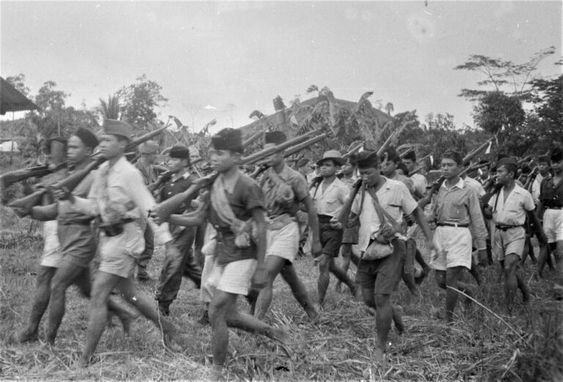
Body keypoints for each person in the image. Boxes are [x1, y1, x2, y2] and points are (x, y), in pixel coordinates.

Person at [54, 119, 183, 366]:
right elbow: (94, 207)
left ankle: (85, 357)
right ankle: (169, 329)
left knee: (99, 294)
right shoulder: (102, 172)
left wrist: (168, 242)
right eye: (101, 139)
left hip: (125, 241)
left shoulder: (129, 174)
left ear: (123, 144)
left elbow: (150, 208)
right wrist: (70, 198)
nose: (102, 144)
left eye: (107, 140)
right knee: (130, 293)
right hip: (108, 240)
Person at [161, 128, 286, 378]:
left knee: (216, 309)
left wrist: (261, 266)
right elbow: (197, 218)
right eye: (212, 153)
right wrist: (168, 216)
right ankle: (274, 333)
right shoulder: (212, 185)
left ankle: (217, 369)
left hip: (245, 253)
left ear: (237, 157)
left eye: (220, 153)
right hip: (222, 252)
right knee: (227, 313)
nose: (213, 158)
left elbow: (261, 226)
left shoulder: (248, 186)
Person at [28, 128, 133, 344]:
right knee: (88, 290)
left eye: (75, 147)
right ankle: (124, 313)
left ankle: (48, 342)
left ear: (88, 150)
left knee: (57, 285)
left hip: (81, 240)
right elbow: (57, 209)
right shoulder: (73, 174)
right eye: (69, 147)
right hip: (67, 238)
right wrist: (29, 210)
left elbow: (77, 205)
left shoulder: (92, 176)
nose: (69, 151)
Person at [347, 151, 434, 360]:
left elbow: (417, 213)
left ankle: (381, 345)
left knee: (381, 297)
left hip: (392, 248)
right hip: (367, 250)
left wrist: (430, 239)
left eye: (368, 172)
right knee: (368, 299)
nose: (364, 177)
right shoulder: (360, 190)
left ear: (378, 167)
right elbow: (352, 216)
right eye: (361, 173)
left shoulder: (397, 187)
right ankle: (394, 314)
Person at [254, 131, 319, 319]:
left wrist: (315, 241)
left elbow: (311, 208)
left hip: (286, 229)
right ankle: (312, 313)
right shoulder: (264, 176)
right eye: (264, 153)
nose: (267, 157)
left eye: (271, 153)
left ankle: (256, 324)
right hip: (268, 230)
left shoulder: (295, 177)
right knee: (291, 278)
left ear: (283, 153)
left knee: (266, 278)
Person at [15, 137, 68, 343]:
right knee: (89, 287)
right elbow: (31, 200)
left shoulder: (64, 174)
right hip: (51, 228)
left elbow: (42, 202)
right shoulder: (50, 172)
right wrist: (27, 184)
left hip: (58, 228)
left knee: (46, 279)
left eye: (55, 151)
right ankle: (113, 313)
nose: (51, 155)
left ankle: (33, 329)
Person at [430, 150, 488, 322]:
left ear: (460, 167)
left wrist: (483, 246)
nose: (445, 168)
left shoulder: (468, 190)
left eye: (450, 165)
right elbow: (432, 213)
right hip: (440, 234)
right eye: (443, 165)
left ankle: (449, 320)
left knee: (450, 278)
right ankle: (469, 291)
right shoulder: (438, 189)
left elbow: (477, 219)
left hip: (460, 235)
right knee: (441, 280)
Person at [484, 158, 546, 312]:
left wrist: (540, 234)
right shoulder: (496, 192)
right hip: (498, 234)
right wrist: (491, 189)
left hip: (516, 233)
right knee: (507, 269)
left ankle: (508, 309)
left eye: (500, 172)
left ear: (511, 174)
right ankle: (525, 292)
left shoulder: (523, 194)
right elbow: (486, 211)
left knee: (509, 266)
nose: (496, 175)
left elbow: (532, 216)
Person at [155, 145, 202, 316]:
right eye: (170, 159)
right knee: (186, 263)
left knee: (173, 262)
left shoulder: (192, 182)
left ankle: (164, 302)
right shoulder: (169, 181)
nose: (170, 162)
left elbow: (197, 209)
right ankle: (205, 284)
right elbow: (159, 202)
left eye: (174, 159)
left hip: (184, 227)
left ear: (184, 161)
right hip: (169, 227)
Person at [310, 150, 358, 305]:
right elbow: (309, 206)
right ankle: (351, 284)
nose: (323, 168)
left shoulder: (341, 187)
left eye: (328, 165)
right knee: (330, 265)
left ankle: (319, 303)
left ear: (337, 168)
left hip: (333, 228)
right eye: (322, 165)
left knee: (323, 264)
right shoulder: (315, 186)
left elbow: (350, 207)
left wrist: (342, 222)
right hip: (318, 227)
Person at [537, 147, 563, 297]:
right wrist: (535, 220)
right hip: (548, 215)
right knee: (549, 250)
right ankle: (541, 276)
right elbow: (541, 202)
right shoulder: (545, 182)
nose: (555, 165)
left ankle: (559, 286)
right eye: (553, 162)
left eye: (558, 162)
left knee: (561, 251)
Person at [134, 140, 160, 281]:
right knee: (134, 242)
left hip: (148, 210)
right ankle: (122, 276)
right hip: (136, 212)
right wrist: (156, 185)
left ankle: (141, 271)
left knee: (149, 242)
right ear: (147, 154)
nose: (157, 156)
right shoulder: (135, 170)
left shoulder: (150, 169)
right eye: (155, 153)